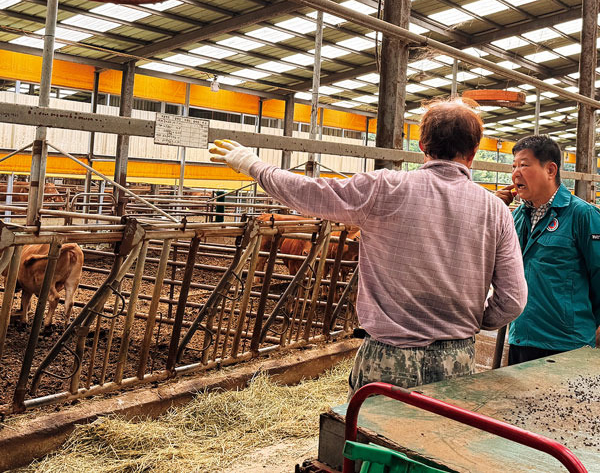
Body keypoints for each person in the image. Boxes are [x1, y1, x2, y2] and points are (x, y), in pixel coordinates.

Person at [210, 98, 527, 395]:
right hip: (457, 361)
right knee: (438, 450)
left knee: (371, 450)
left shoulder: (385, 187)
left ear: (422, 146)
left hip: (386, 361)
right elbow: (512, 301)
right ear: (472, 153)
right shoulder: (496, 210)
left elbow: (308, 192)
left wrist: (252, 165)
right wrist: (469, 321)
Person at [495, 135, 600, 365]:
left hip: (568, 346)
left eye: (524, 165)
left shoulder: (582, 215)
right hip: (522, 340)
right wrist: (494, 213)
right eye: (513, 166)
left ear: (551, 170)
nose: (515, 173)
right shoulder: (516, 218)